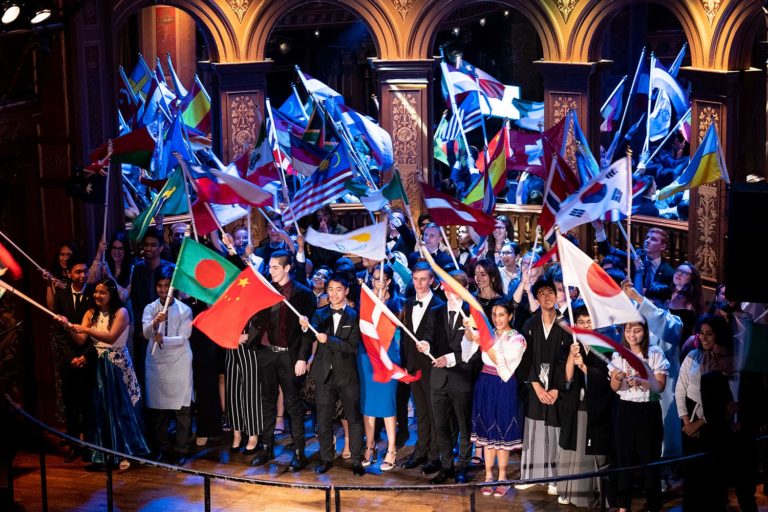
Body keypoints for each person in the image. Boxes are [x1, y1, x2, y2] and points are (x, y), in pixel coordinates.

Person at [58, 278, 149, 471]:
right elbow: (82, 339)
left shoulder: (121, 312)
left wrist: (84, 328)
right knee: (100, 410)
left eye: (102, 292)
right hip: (98, 366)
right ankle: (104, 454)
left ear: (111, 294)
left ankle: (126, 452)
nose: (97, 296)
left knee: (120, 409)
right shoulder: (90, 313)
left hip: (117, 366)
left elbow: (111, 337)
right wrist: (69, 327)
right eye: (96, 292)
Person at [249, 250, 315, 471]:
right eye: (270, 267)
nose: (271, 271)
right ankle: (266, 447)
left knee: (293, 405)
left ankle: (299, 452)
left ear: (287, 268)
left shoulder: (303, 294)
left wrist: (301, 358)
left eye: (275, 267)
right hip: (266, 353)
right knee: (267, 401)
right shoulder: (266, 289)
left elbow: (307, 332)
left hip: (289, 355)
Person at [300, 274, 365, 477]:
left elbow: (351, 346)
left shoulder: (355, 316)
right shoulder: (319, 314)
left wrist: (328, 339)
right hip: (323, 375)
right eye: (330, 289)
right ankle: (326, 458)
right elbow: (311, 334)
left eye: (338, 289)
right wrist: (304, 327)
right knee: (324, 420)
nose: (334, 294)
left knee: (353, 419)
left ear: (346, 291)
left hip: (347, 375)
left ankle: (356, 460)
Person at [417, 270, 478, 485]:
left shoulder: (473, 312)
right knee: (441, 425)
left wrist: (450, 359)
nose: (445, 289)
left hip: (461, 377)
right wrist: (425, 344)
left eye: (450, 286)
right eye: (444, 286)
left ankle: (462, 466)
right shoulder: (436, 311)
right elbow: (429, 336)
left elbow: (476, 349)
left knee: (463, 426)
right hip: (438, 378)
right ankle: (446, 466)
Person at [555, 307, 613, 508]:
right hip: (575, 405)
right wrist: (572, 357)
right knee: (572, 445)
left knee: (592, 449)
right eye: (581, 322)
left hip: (595, 407)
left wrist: (586, 367)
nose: (586, 325)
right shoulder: (570, 346)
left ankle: (592, 494)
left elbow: (608, 379)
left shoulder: (605, 347)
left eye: (589, 321)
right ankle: (568, 490)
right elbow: (566, 378)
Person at [609, 321, 670, 512]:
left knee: (650, 461)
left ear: (645, 331)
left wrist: (642, 381)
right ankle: (623, 506)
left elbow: (660, 386)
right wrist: (617, 378)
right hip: (625, 410)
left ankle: (653, 505)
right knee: (623, 459)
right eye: (628, 330)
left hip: (648, 410)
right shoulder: (618, 354)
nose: (632, 335)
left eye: (637, 330)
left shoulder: (655, 353)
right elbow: (614, 388)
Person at [468, 302, 526, 497]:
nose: (497, 319)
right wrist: (470, 332)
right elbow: (469, 351)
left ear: (510, 316)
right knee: (487, 431)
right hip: (485, 381)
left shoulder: (518, 339)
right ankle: (488, 476)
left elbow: (503, 363)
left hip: (503, 383)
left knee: (501, 432)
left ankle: (502, 477)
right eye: (494, 315)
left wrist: (483, 342)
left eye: (502, 315)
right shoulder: (489, 333)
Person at [518, 279, 570, 496]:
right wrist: (537, 387)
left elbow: (566, 358)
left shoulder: (566, 323)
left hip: (558, 388)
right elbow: (524, 358)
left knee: (555, 430)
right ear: (536, 298)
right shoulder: (529, 324)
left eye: (551, 292)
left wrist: (557, 388)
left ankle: (555, 478)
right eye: (542, 293)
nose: (547, 296)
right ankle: (532, 475)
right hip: (535, 387)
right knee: (535, 428)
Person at [141, 266, 193, 465]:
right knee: (159, 409)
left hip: (179, 361)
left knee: (182, 409)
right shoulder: (150, 308)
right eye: (160, 286)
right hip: (156, 363)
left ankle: (181, 449)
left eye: (167, 286)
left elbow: (184, 337)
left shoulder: (184, 309)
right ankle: (161, 448)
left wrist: (163, 340)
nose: (164, 290)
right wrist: (155, 322)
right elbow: (146, 333)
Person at [675, 314, 727, 511]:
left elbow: (719, 398)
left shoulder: (723, 359)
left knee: (712, 475)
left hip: (712, 422)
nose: (704, 338)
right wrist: (686, 421)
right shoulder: (692, 356)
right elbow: (680, 389)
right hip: (690, 417)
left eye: (710, 334)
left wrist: (700, 422)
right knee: (691, 473)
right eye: (701, 333)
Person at [357, 264, 405, 472]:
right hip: (366, 356)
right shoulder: (365, 301)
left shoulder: (398, 303)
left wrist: (381, 301)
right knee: (368, 404)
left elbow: (397, 329)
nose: (378, 281)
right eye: (375, 278)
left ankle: (391, 449)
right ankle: (370, 445)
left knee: (387, 404)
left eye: (382, 278)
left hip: (388, 356)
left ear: (389, 281)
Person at [400, 262, 444, 473]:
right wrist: (405, 363)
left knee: (434, 412)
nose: (419, 283)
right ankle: (421, 452)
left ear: (431, 281)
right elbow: (407, 337)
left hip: (432, 367)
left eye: (423, 279)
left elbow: (442, 338)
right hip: (413, 366)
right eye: (416, 279)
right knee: (421, 412)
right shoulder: (408, 303)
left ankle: (435, 456)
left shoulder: (439, 304)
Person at [50, 255, 94, 462]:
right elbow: (58, 332)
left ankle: (90, 447)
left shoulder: (94, 294)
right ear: (69, 274)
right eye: (78, 271)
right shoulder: (61, 296)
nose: (82, 275)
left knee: (88, 404)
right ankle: (74, 445)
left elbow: (96, 331)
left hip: (89, 359)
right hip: (69, 362)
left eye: (85, 271)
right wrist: (71, 359)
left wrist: (84, 357)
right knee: (71, 404)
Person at [668, 261, 703, 343]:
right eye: (678, 270)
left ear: (692, 278)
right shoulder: (666, 292)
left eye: (684, 273)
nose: (679, 274)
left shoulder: (691, 303)